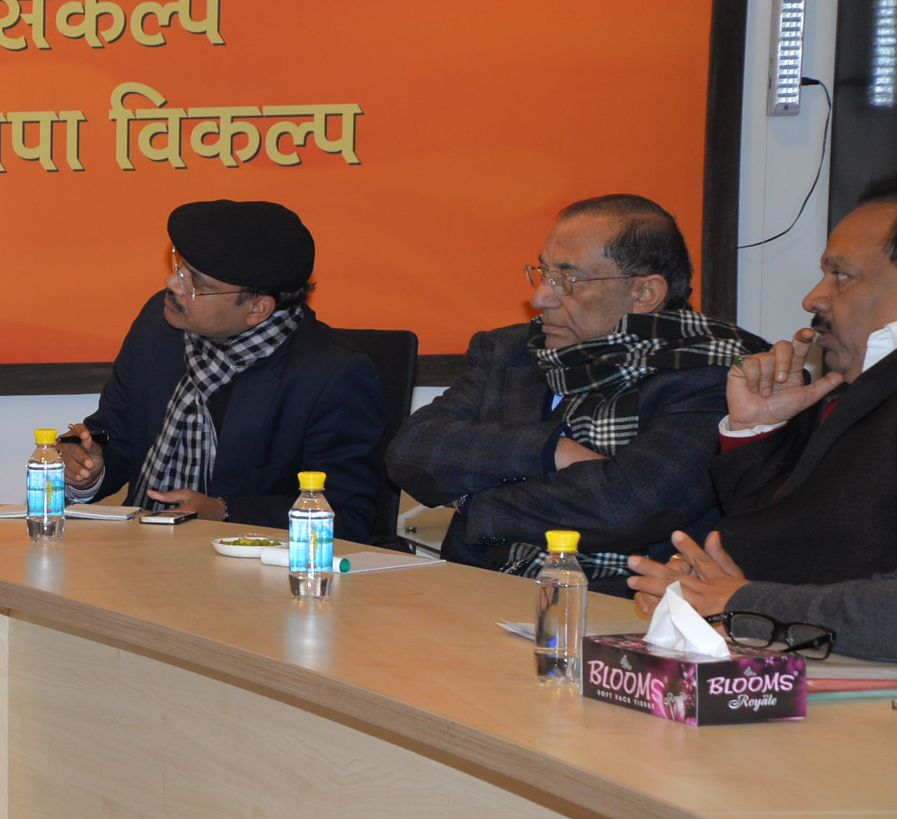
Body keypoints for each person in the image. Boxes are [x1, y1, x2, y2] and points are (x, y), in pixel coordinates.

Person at [388, 195, 757, 583]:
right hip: (477, 585)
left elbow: (625, 506)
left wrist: (475, 505)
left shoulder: (715, 372)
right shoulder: (511, 351)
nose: (540, 297)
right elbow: (411, 449)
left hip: (618, 603)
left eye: (569, 279)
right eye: (544, 273)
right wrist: (551, 450)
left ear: (645, 293)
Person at [632, 183, 897, 628]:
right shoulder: (845, 388)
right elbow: (803, 542)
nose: (814, 298)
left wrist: (749, 602)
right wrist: (756, 431)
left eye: (841, 275)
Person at [55, 199, 385, 541]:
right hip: (141, 551)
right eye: (179, 266)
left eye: (194, 283)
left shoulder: (331, 375)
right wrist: (90, 468)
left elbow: (348, 515)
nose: (172, 283)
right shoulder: (159, 326)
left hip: (255, 574)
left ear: (257, 308)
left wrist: (223, 512)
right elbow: (115, 436)